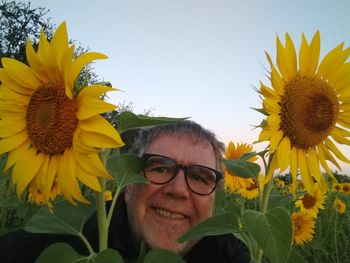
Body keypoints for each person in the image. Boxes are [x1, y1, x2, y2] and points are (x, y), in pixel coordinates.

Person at [0, 120, 250, 263]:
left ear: (215, 197)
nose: (178, 190)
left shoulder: (230, 255)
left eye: (199, 177)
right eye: (160, 168)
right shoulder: (73, 241)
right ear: (127, 183)